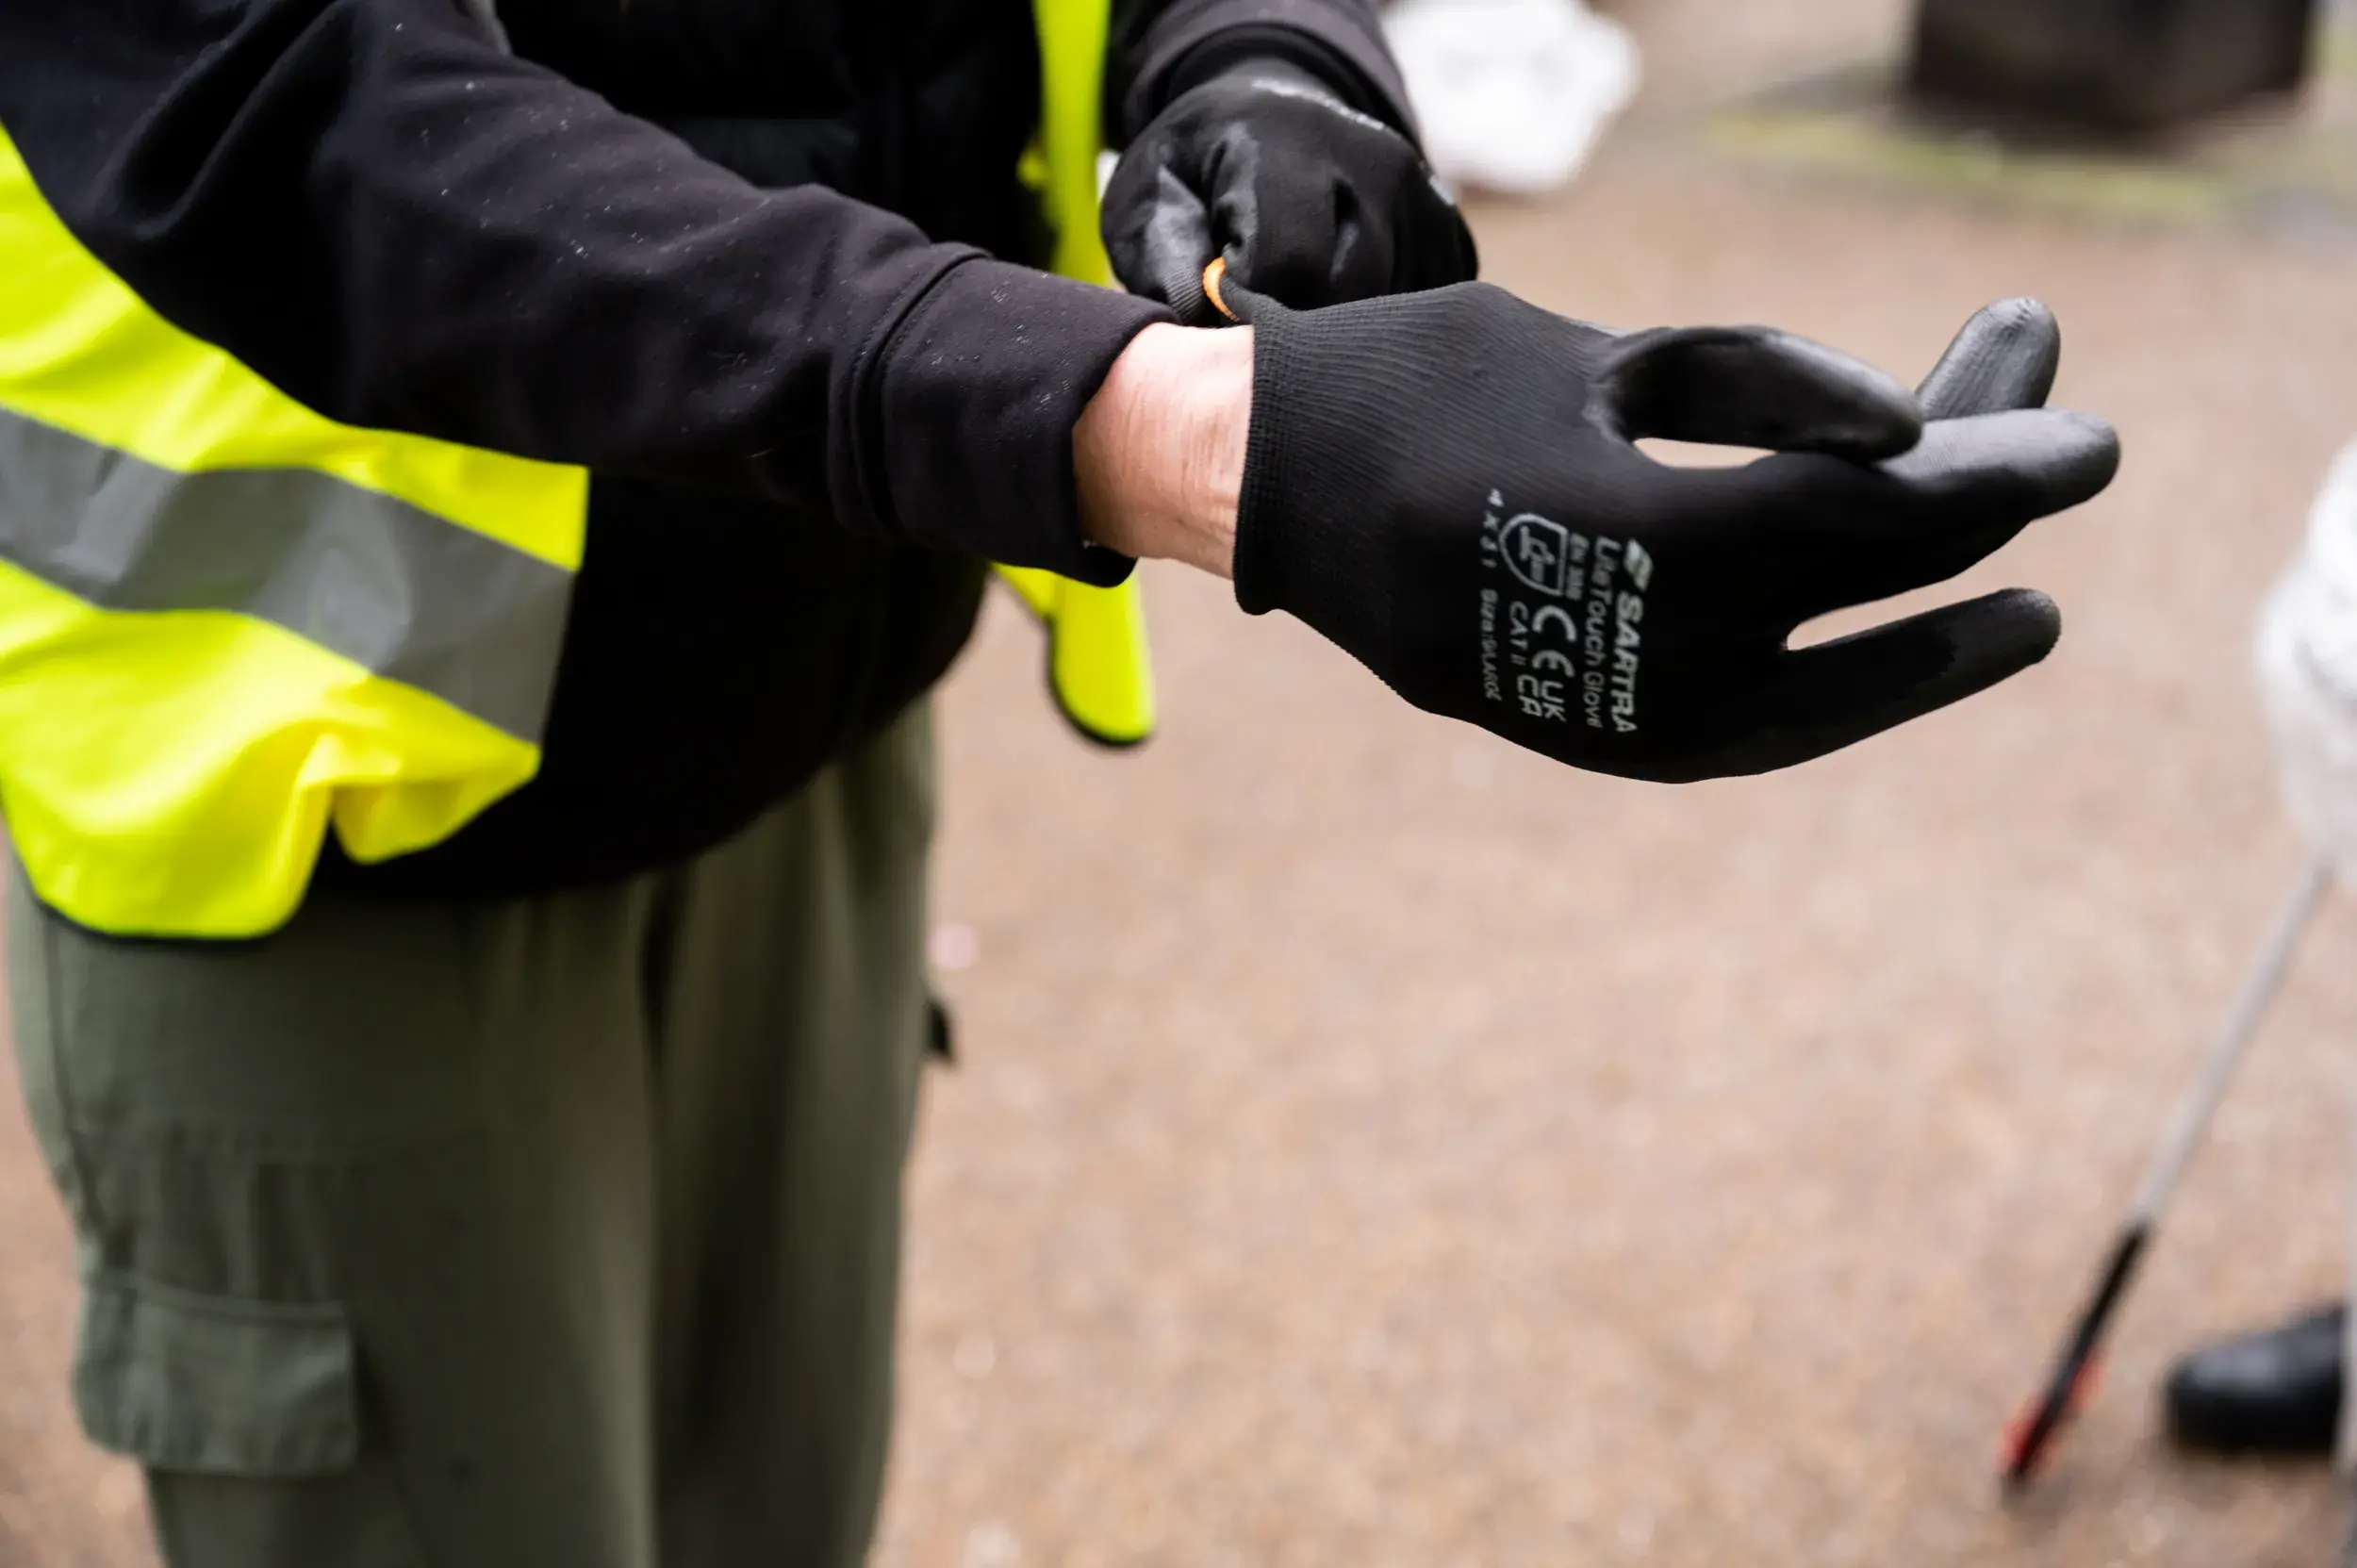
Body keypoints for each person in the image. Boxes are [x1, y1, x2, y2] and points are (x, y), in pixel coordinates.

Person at [0, 0, 2118, 1562]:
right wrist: (1156, 430)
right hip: (324, 831)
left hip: (814, 732)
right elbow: (265, 98)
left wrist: (1263, 60)